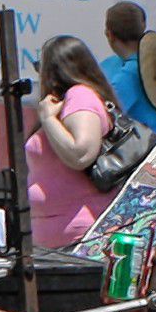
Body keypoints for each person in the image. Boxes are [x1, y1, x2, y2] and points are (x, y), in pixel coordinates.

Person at [22, 33, 126, 249]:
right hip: (58, 244)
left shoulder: (80, 96)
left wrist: (48, 119)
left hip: (80, 243)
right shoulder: (64, 101)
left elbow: (81, 154)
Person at [100, 1, 156, 137]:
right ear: (143, 26)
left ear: (109, 34)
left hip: (153, 149)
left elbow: (102, 122)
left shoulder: (126, 77)